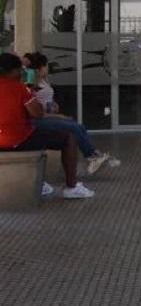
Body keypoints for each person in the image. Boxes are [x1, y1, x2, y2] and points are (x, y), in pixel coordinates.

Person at [0, 53, 92, 199]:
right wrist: (30, 92)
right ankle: (71, 187)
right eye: (20, 69)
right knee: (68, 138)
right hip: (17, 140)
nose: (22, 72)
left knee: (41, 133)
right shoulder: (19, 88)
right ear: (12, 71)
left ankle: (41, 183)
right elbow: (37, 113)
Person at [25, 52, 117, 177]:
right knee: (73, 127)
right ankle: (92, 156)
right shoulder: (31, 86)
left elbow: (45, 102)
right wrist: (59, 116)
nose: (48, 68)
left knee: (79, 127)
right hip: (40, 119)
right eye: (46, 66)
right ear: (41, 67)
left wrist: (53, 105)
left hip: (47, 115)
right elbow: (38, 113)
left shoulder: (43, 82)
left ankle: (94, 154)